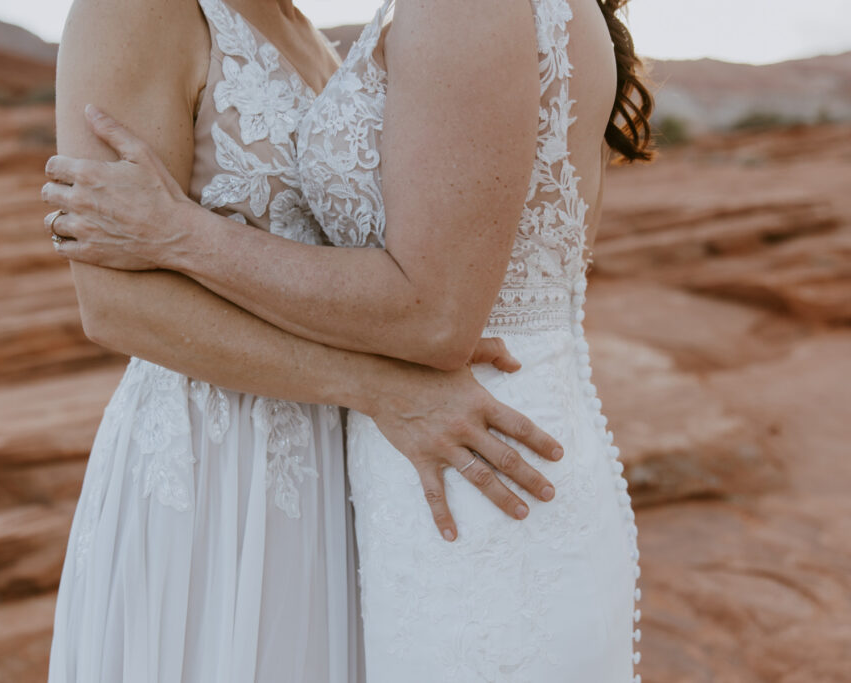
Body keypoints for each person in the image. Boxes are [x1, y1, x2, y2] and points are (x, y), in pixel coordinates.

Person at [45, 0, 656, 678]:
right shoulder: (137, 11)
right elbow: (114, 303)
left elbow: (428, 294)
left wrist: (186, 235)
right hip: (216, 475)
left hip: (370, 464)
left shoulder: (309, 31)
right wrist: (376, 386)